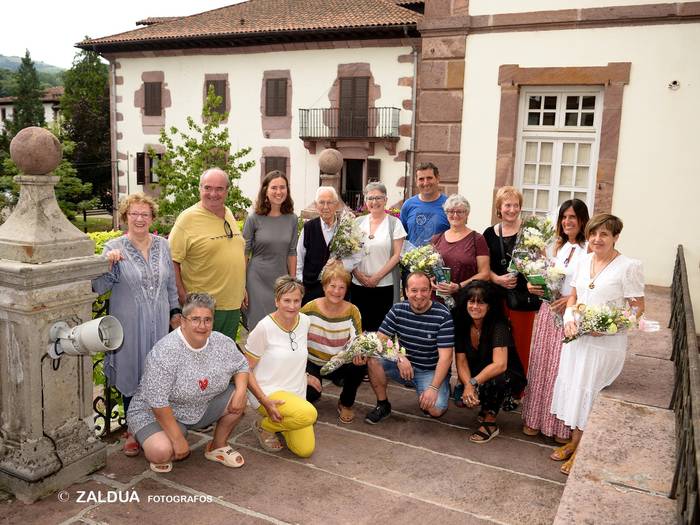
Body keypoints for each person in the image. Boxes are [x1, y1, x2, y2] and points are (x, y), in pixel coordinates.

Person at [550, 214, 644, 475]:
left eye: (604, 234)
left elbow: (637, 309)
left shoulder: (628, 266)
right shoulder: (584, 260)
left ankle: (582, 450)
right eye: (593, 234)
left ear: (615, 237)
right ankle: (574, 442)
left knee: (590, 392)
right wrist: (570, 319)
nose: (597, 239)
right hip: (577, 341)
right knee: (576, 389)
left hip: (605, 346)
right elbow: (574, 298)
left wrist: (607, 327)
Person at [92, 193, 181, 458]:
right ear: (125, 217)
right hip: (128, 327)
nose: (139, 219)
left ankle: (156, 427)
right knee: (132, 375)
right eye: (134, 214)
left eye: (145, 214)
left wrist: (175, 313)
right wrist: (107, 265)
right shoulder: (112, 248)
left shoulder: (163, 246)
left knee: (158, 375)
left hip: (159, 328)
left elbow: (170, 286)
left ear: (152, 218)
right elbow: (98, 288)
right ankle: (132, 431)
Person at [126, 293, 250, 473]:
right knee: (161, 453)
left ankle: (217, 446)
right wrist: (177, 439)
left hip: (199, 406)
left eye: (207, 320)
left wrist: (240, 392)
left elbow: (242, 365)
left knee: (239, 397)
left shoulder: (221, 342)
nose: (202, 325)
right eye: (195, 319)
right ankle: (147, 433)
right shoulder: (165, 351)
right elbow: (158, 401)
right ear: (183, 321)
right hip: (154, 412)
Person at [521, 199, 589, 443]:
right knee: (542, 363)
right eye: (564, 217)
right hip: (549, 310)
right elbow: (546, 274)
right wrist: (534, 285)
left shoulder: (589, 249)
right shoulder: (557, 246)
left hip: (569, 312)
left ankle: (560, 426)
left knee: (561, 368)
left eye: (572, 217)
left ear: (582, 220)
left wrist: (571, 298)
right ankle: (535, 418)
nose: (567, 222)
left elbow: (590, 283)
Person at [364, 271, 454, 424]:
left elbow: (446, 358)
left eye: (424, 290)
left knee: (435, 409)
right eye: (414, 290)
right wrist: (399, 356)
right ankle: (383, 405)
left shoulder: (442, 315)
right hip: (404, 366)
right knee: (374, 358)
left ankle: (440, 385)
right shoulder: (398, 309)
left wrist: (433, 388)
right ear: (406, 291)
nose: (419, 295)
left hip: (429, 370)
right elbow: (380, 340)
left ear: (430, 291)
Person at [169, 167, 247, 339]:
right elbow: (172, 261)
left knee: (223, 359)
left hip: (232, 305)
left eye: (219, 188)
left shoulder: (228, 213)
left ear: (227, 191)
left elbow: (233, 252)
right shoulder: (187, 218)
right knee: (200, 360)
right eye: (208, 188)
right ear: (200, 189)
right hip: (203, 310)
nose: (213, 193)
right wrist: (183, 298)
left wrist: (242, 287)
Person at [245, 276, 318, 458]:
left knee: (305, 450)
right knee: (309, 413)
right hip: (269, 393)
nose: (292, 306)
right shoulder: (264, 328)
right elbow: (245, 369)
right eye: (286, 300)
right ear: (276, 301)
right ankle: (264, 426)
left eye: (296, 301)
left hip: (296, 395)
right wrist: (264, 400)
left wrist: (307, 375)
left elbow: (295, 356)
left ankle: (278, 423)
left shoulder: (305, 322)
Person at [453, 281, 526, 443]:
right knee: (463, 396)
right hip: (479, 371)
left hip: (505, 375)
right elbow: (461, 360)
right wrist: (467, 385)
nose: (475, 306)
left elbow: (500, 365)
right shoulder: (461, 324)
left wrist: (472, 383)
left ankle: (490, 422)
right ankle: (485, 404)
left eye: (481, 302)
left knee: (498, 378)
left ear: (490, 306)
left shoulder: (499, 325)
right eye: (471, 301)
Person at [483, 186, 540, 377]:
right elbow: (483, 266)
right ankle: (496, 383)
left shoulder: (530, 231)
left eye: (516, 205)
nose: (512, 209)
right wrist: (497, 279)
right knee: (496, 341)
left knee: (521, 342)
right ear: (499, 207)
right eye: (508, 205)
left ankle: (517, 389)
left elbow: (541, 261)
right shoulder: (489, 233)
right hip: (496, 296)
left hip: (523, 297)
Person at [302, 263, 364, 424]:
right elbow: (294, 336)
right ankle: (307, 387)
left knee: (360, 364)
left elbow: (357, 340)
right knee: (312, 394)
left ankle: (345, 403)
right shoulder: (310, 307)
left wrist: (359, 353)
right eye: (332, 286)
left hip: (339, 362)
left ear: (346, 290)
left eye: (341, 287)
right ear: (324, 286)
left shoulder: (352, 311)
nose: (336, 291)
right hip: (313, 361)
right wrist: (305, 375)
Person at [243, 170, 298, 330]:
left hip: (281, 282)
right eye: (274, 188)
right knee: (258, 327)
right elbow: (244, 254)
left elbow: (292, 252)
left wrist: (292, 283)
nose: (279, 192)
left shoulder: (292, 219)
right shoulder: (254, 219)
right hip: (256, 281)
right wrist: (242, 286)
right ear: (265, 190)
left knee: (280, 327)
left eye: (282, 187)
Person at [351, 182, 406, 331]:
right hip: (358, 285)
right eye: (370, 198)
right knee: (359, 328)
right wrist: (357, 274)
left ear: (385, 200)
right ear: (365, 201)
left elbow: (397, 255)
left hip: (384, 286)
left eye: (378, 198)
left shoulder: (395, 224)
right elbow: (349, 252)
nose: (374, 202)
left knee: (381, 330)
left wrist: (376, 277)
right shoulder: (357, 223)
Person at [431, 194, 490, 301]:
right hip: (438, 299)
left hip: (466, 299)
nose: (455, 215)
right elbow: (430, 270)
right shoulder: (436, 238)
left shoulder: (477, 239)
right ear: (446, 213)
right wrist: (430, 281)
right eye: (451, 211)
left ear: (467, 214)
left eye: (460, 212)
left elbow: (485, 274)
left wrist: (459, 286)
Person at [296, 186, 342, 305]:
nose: (325, 207)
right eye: (321, 202)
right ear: (316, 205)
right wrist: (301, 283)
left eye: (329, 202)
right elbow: (299, 257)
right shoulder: (308, 228)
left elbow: (354, 257)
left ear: (336, 205)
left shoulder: (345, 229)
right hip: (311, 289)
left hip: (338, 291)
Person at [400, 162, 449, 248]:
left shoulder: (448, 205)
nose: (425, 183)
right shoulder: (408, 205)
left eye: (429, 178)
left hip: (441, 260)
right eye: (421, 179)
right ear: (416, 181)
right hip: (411, 260)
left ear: (438, 179)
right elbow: (401, 237)